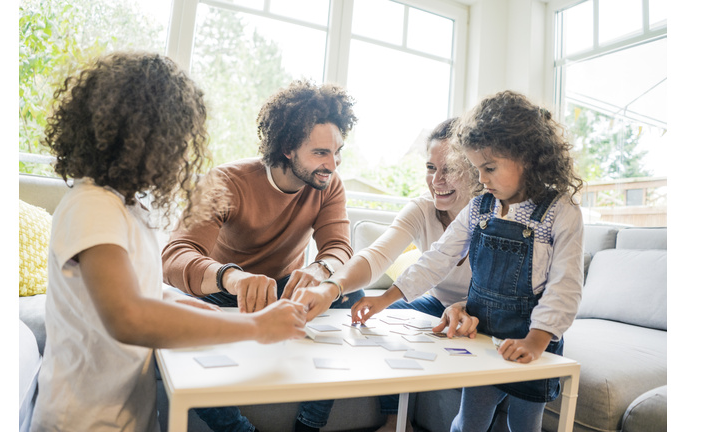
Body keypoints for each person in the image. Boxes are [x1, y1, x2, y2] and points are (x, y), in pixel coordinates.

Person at [30, 52, 307, 432]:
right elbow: (128, 316)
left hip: (126, 414)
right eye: (176, 137)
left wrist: (186, 303)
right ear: (144, 137)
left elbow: (141, 284)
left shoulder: (126, 204)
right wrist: (256, 327)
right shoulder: (91, 205)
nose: (180, 152)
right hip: (81, 420)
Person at [361, 90, 584, 432]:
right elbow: (438, 258)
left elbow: (565, 287)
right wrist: (387, 297)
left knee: (525, 426)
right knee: (468, 423)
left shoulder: (561, 213)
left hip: (534, 341)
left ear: (526, 157)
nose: (481, 179)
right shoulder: (480, 206)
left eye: (490, 168)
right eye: (477, 168)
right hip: (482, 340)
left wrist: (536, 340)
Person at [161, 79, 361, 432]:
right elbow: (176, 255)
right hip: (223, 288)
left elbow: (339, 249)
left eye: (337, 151)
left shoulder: (329, 184)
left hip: (284, 290)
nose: (332, 164)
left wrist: (319, 269)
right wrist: (232, 277)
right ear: (287, 148)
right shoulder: (226, 181)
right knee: (174, 314)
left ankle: (308, 425)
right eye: (320, 153)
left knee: (350, 293)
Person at [291, 118, 475, 431]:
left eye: (450, 169)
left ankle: (394, 422)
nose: (437, 180)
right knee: (360, 318)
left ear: (475, 170)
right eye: (431, 167)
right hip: (435, 304)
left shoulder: (493, 215)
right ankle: (317, 424)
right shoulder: (422, 209)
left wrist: (470, 307)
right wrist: (331, 288)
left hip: (482, 310)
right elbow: (377, 256)